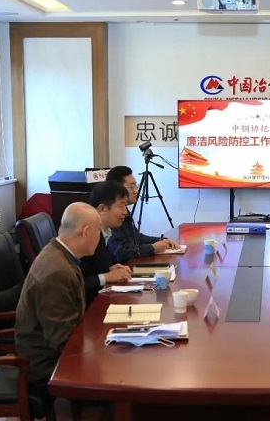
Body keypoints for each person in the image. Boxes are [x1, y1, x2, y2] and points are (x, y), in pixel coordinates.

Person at [15, 202, 101, 393]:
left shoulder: (59, 253)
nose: (99, 237)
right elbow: (63, 340)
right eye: (98, 232)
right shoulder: (57, 272)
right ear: (86, 231)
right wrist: (103, 344)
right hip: (45, 364)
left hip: (54, 351)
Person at [105, 165, 179, 263]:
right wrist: (152, 248)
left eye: (136, 186)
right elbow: (121, 252)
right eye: (132, 187)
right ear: (118, 188)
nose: (136, 191)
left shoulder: (124, 210)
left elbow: (137, 238)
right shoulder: (111, 215)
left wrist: (161, 240)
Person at [80, 180, 132, 305]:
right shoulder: (87, 237)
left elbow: (93, 269)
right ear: (102, 209)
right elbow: (77, 284)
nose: (125, 212)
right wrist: (107, 276)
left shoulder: (104, 232)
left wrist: (109, 269)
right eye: (121, 206)